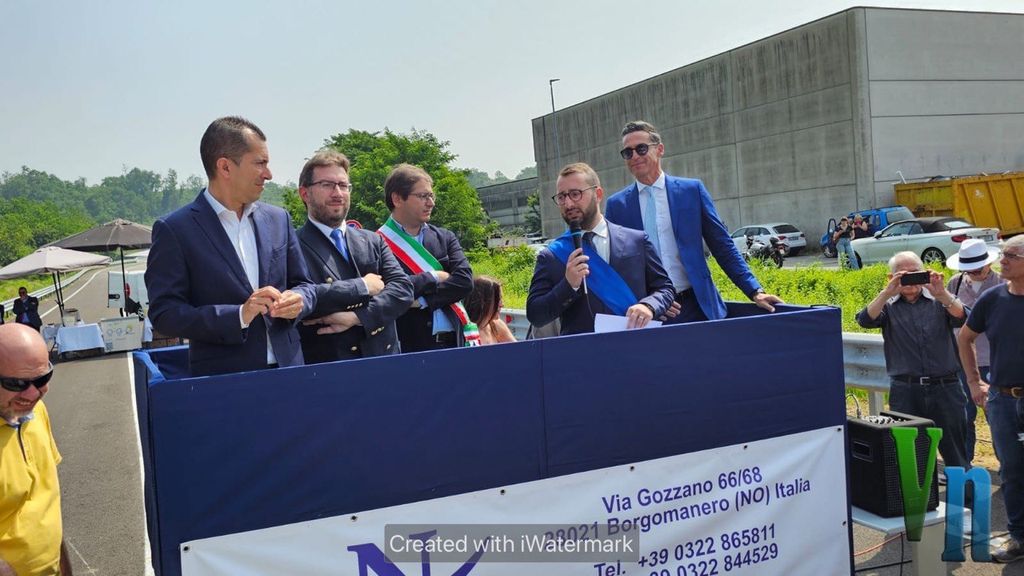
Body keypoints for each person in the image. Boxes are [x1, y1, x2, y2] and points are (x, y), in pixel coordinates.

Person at [146, 117, 317, 377]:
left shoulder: (278, 219)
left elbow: (305, 285)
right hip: (225, 381)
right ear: (225, 167)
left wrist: (300, 300)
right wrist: (238, 316)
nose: (268, 174)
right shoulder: (175, 230)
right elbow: (164, 313)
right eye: (260, 163)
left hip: (291, 370)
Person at [605, 120, 781, 323]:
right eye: (628, 152)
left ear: (659, 149)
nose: (634, 156)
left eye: (641, 149)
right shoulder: (617, 206)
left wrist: (755, 291)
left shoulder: (691, 191)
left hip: (696, 307)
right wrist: (651, 303)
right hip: (647, 315)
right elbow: (613, 268)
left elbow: (722, 245)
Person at [527, 162, 675, 335]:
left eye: (575, 194)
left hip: (636, 344)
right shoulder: (552, 256)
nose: (568, 204)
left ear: (598, 194)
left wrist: (648, 306)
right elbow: (535, 315)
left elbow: (665, 288)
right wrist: (568, 285)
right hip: (582, 350)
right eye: (561, 197)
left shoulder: (636, 241)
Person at [856, 251, 970, 472]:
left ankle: (961, 493)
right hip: (905, 390)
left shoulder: (940, 301)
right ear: (891, 277)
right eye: (903, 275)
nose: (909, 280)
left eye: (914, 273)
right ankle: (920, 494)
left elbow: (964, 316)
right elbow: (865, 320)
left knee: (956, 455)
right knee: (911, 458)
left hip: (945, 387)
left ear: (924, 273)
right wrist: (886, 293)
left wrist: (942, 293)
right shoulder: (887, 306)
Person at [293, 150, 412, 362]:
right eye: (327, 185)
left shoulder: (373, 240)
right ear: (305, 193)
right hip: (329, 367)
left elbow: (403, 290)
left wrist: (358, 317)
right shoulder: (291, 245)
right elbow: (302, 299)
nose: (338, 193)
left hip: (385, 361)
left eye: (343, 185)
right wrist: (363, 286)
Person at [958, 235, 1024, 563]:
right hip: (1003, 400)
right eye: (1003, 254)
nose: (1003, 260)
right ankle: (1019, 537)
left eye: (1011, 255)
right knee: (1011, 471)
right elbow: (965, 337)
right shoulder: (992, 299)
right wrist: (974, 381)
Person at [0, 323, 72, 576]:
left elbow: (47, 495)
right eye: (16, 383)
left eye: (42, 379)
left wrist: (65, 566)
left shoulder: (36, 411)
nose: (32, 394)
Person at [378, 164, 473, 352]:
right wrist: (434, 277)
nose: (431, 203)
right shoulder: (376, 243)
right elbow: (387, 291)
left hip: (454, 342)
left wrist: (421, 301)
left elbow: (465, 282)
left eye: (431, 196)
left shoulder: (445, 237)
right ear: (397, 199)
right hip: (409, 347)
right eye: (423, 196)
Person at [945, 239, 1003, 464]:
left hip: (995, 361)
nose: (974, 273)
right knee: (963, 416)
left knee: (997, 417)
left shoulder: (1003, 283)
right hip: (962, 361)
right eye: (969, 269)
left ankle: (1006, 465)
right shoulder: (955, 283)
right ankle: (964, 465)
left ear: (989, 264)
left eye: (978, 268)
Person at [465, 276, 516, 345]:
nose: (502, 305)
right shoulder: (465, 331)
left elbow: (517, 349)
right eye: (498, 300)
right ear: (484, 302)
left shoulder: (497, 325)